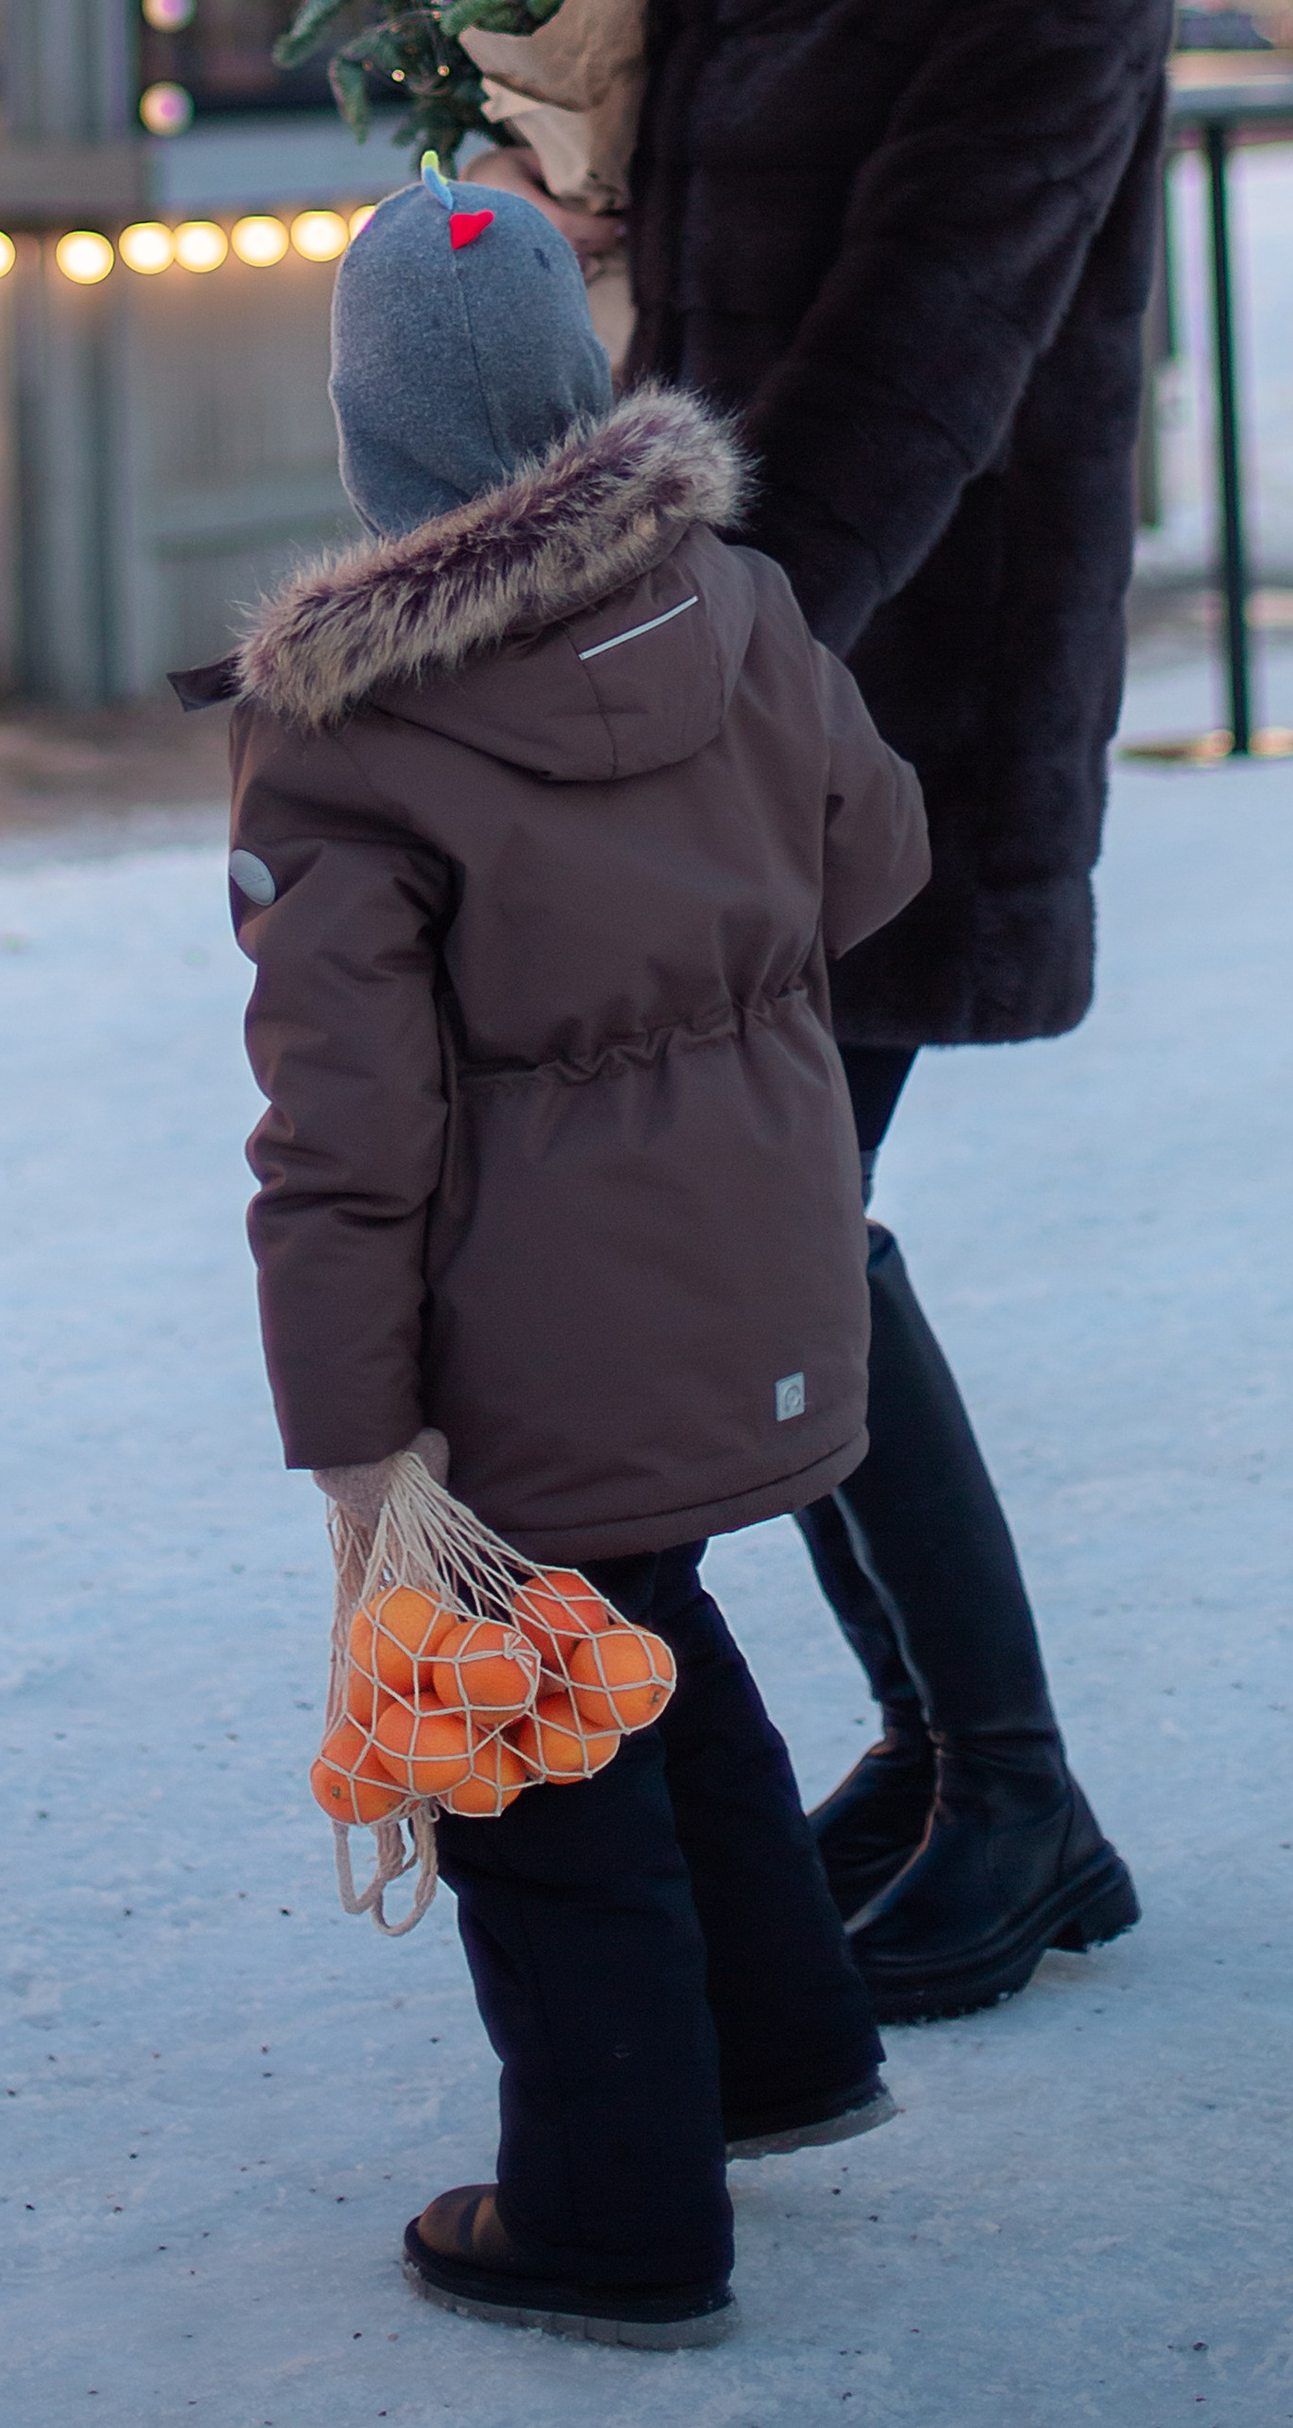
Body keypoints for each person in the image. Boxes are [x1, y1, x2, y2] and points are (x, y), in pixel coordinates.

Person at [472, 0, 1173, 2026]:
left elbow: (937, 344)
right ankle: (976, 1761)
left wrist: (717, 671)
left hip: (909, 673)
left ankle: (1008, 1789)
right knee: (785, 1216)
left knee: (785, 1220)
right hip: (732, 625)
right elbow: (698, 291)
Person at [197, 167, 931, 2349]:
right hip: (760, 1271)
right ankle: (783, 2047)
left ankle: (614, 2216)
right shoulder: (732, 600)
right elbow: (874, 859)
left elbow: (341, 1142)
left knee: (521, 1734)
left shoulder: (348, 742)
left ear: (374, 444)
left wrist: (354, 1440)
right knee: (643, 1612)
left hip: (529, 1346)